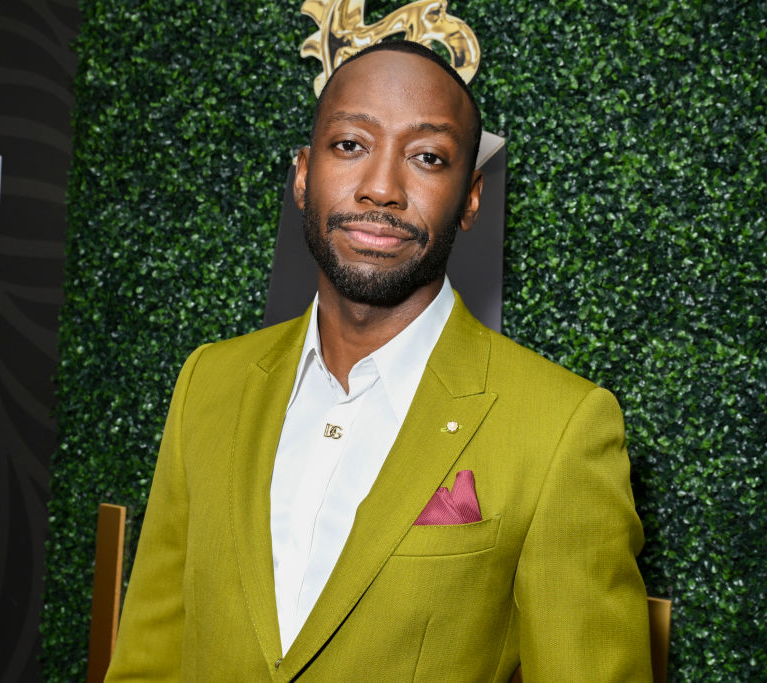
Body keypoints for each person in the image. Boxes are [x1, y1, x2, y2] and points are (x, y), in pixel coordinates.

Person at [105, 40, 652, 681]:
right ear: (303, 175)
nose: (382, 190)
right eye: (350, 145)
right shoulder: (209, 381)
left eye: (427, 157)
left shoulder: (562, 427)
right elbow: (149, 658)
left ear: (470, 198)